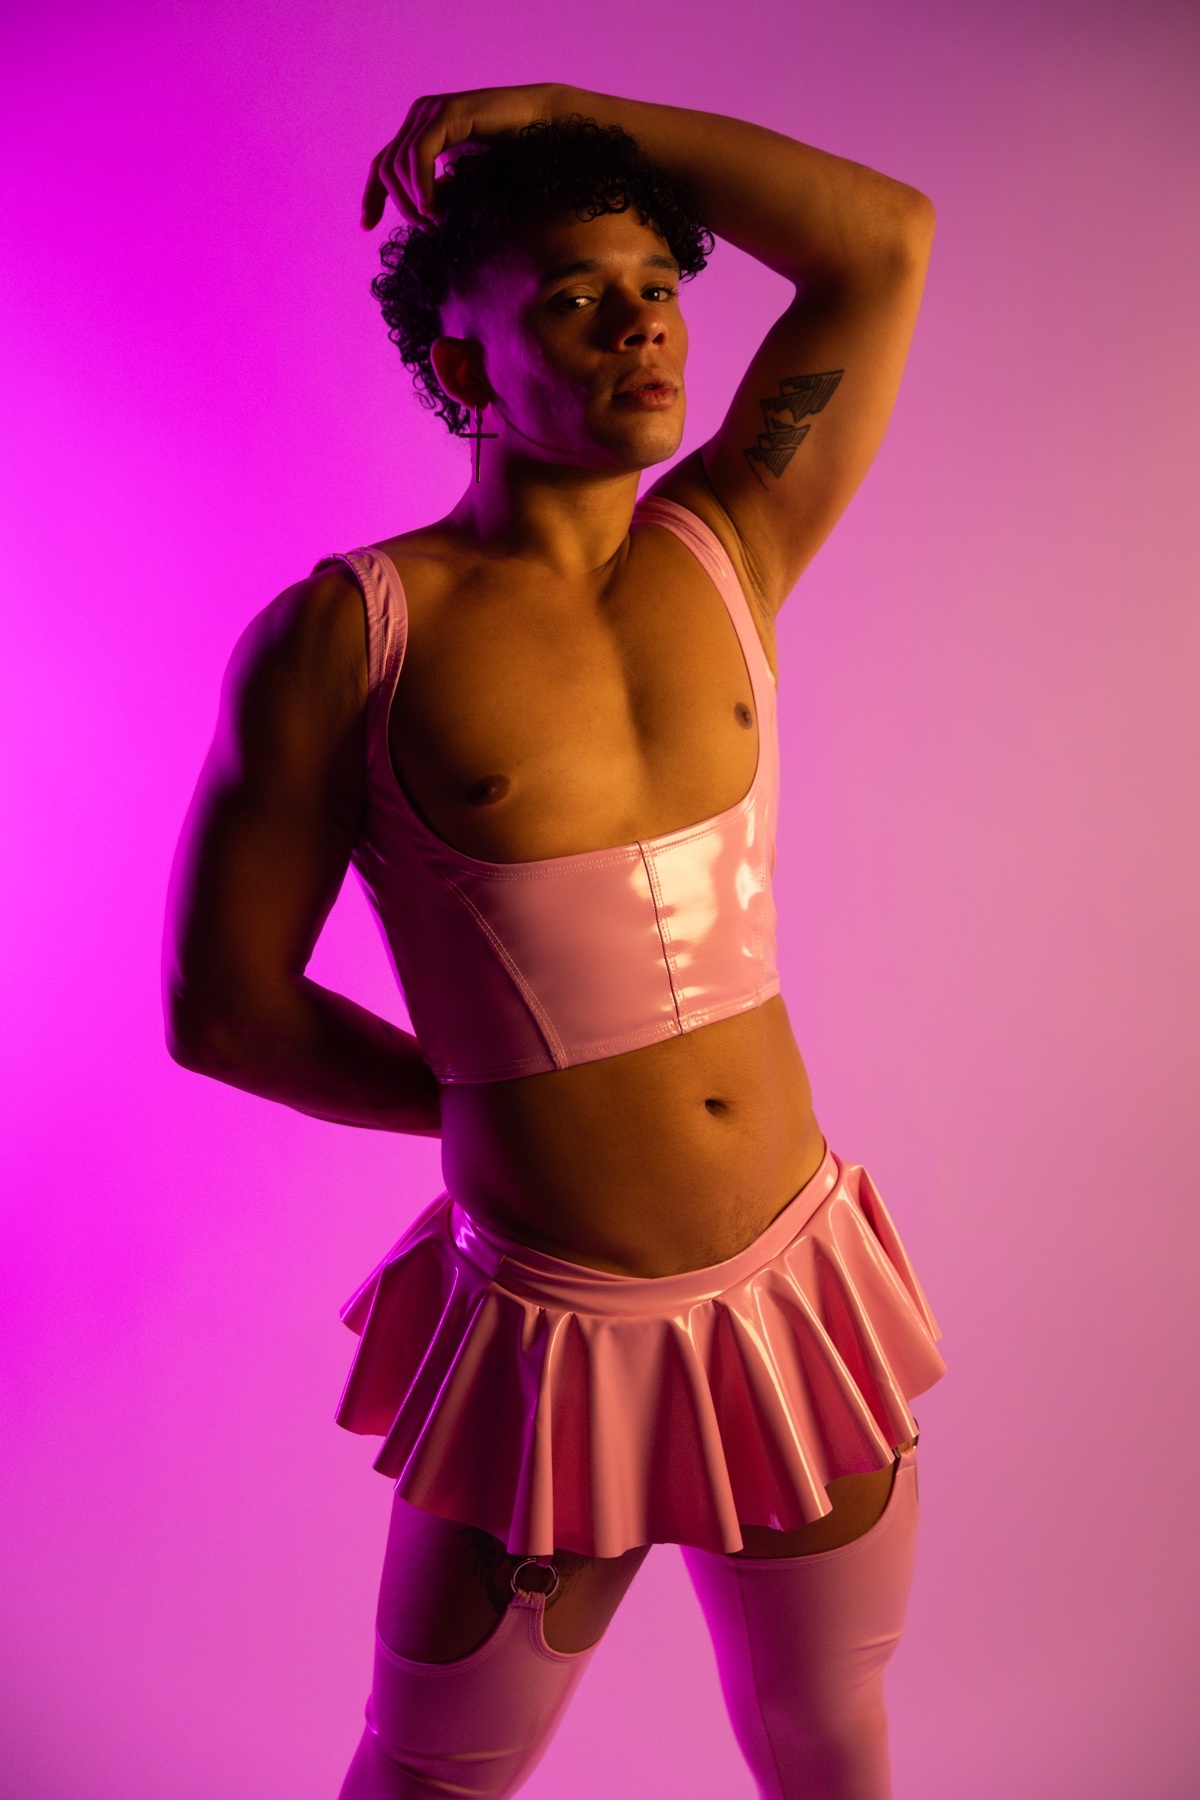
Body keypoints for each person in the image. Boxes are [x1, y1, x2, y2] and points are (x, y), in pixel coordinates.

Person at [164, 82, 945, 1800]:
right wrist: (491, 1096)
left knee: (832, 1749)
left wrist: (573, 113)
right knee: (429, 1775)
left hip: (797, 1287)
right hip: (556, 1333)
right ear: (465, 365)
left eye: (657, 287)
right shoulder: (350, 635)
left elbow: (882, 242)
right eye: (577, 299)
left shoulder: (733, 539)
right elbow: (223, 1011)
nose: (641, 325)